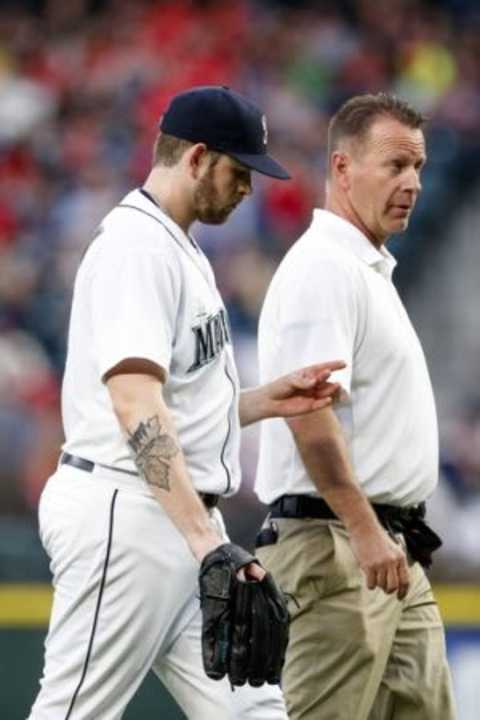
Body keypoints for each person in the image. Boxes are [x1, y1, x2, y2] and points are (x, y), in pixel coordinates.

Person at [28, 85, 344, 720]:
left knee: (256, 713)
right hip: (128, 514)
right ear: (197, 157)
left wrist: (261, 402)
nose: (249, 189)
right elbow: (134, 404)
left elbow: (175, 405)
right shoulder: (136, 246)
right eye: (239, 170)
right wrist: (206, 543)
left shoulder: (179, 245)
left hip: (177, 517)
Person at [254, 92, 457, 720]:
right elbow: (307, 410)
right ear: (342, 169)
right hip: (338, 544)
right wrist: (366, 529)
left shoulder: (366, 269)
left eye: (419, 168)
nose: (413, 183)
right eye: (395, 166)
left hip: (387, 550)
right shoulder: (325, 268)